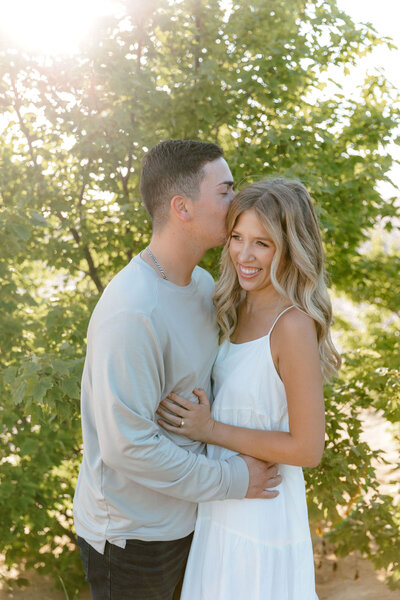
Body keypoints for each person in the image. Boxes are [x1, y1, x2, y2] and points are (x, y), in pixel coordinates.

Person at [73, 140, 282, 600]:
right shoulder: (133, 310)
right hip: (132, 538)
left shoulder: (204, 287)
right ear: (182, 207)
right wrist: (234, 480)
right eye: (225, 191)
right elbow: (128, 448)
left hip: (192, 519)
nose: (237, 203)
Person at [157, 178, 341, 600]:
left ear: (290, 247)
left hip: (262, 520)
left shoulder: (292, 325)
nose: (244, 254)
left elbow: (308, 448)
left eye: (262, 243)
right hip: (220, 509)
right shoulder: (233, 305)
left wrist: (210, 430)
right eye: (237, 237)